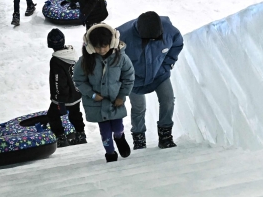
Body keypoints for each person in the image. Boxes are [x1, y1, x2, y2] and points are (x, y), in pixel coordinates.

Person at [119, 11, 183, 149]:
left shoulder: (169, 30)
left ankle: (165, 135)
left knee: (168, 100)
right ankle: (138, 137)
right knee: (139, 107)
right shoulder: (122, 36)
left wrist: (167, 65)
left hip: (159, 74)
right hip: (133, 79)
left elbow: (177, 44)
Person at [73, 23, 135, 162]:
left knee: (118, 127)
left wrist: (122, 96)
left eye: (104, 45)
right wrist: (92, 94)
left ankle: (119, 137)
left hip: (115, 102)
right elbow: (79, 80)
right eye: (97, 46)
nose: (101, 50)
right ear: (90, 45)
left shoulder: (121, 58)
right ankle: (110, 153)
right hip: (97, 105)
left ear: (112, 42)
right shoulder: (85, 61)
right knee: (105, 132)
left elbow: (129, 77)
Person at [46, 28, 87, 147]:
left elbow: (58, 80)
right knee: (75, 114)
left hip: (63, 96)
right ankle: (81, 134)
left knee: (52, 115)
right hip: (76, 92)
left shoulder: (56, 60)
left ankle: (61, 138)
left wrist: (59, 99)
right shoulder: (72, 54)